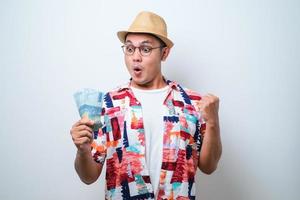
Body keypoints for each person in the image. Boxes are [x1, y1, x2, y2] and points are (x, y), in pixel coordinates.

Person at [70, 11, 222, 200]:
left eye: (146, 49)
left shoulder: (191, 103)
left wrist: (213, 122)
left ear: (164, 53)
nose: (136, 57)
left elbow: (209, 166)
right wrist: (83, 150)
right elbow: (88, 176)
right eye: (130, 49)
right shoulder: (109, 103)